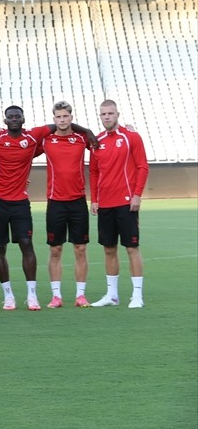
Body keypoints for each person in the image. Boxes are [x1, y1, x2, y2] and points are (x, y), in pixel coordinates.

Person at [0, 106, 53, 310]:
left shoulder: (33, 137)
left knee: (26, 244)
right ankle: (8, 295)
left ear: (23, 119)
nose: (14, 119)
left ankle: (32, 295)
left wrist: (86, 132)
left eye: (18, 116)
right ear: (5, 120)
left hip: (20, 202)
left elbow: (58, 126)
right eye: (11, 117)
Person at [89, 100, 149, 308]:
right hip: (105, 204)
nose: (107, 117)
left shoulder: (131, 137)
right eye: (103, 114)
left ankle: (137, 296)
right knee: (108, 249)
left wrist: (137, 194)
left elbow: (142, 167)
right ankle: (112, 295)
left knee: (132, 248)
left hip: (126, 202)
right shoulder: (96, 141)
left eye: (110, 113)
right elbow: (94, 172)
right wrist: (94, 199)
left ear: (117, 114)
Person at [41, 101, 93, 308]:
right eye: (58, 117)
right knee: (55, 249)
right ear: (53, 119)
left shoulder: (82, 139)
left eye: (65, 116)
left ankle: (81, 295)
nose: (62, 120)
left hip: (78, 202)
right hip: (55, 202)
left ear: (71, 117)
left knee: (80, 249)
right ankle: (56, 296)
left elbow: (103, 146)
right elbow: (22, 153)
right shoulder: (46, 140)